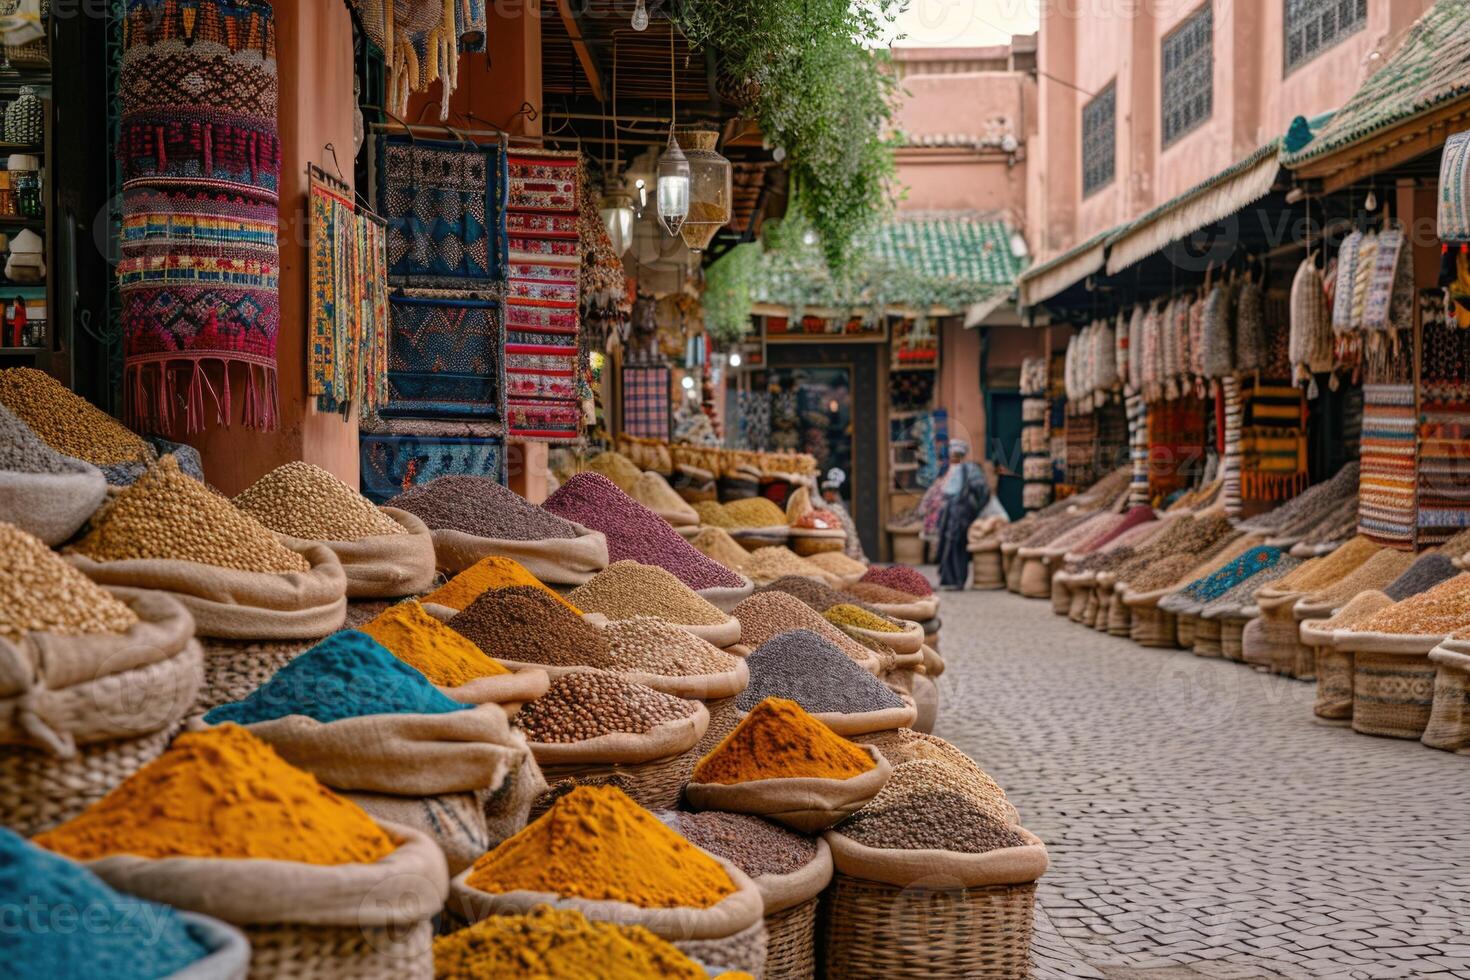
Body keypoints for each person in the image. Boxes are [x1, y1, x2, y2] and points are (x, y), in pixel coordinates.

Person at [937, 440, 992, 590]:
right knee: (947, 544)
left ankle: (958, 580)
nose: (953, 456)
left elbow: (983, 490)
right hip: (950, 512)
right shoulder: (951, 469)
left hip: (961, 512)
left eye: (955, 454)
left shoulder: (970, 469)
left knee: (957, 545)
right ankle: (948, 580)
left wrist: (975, 509)